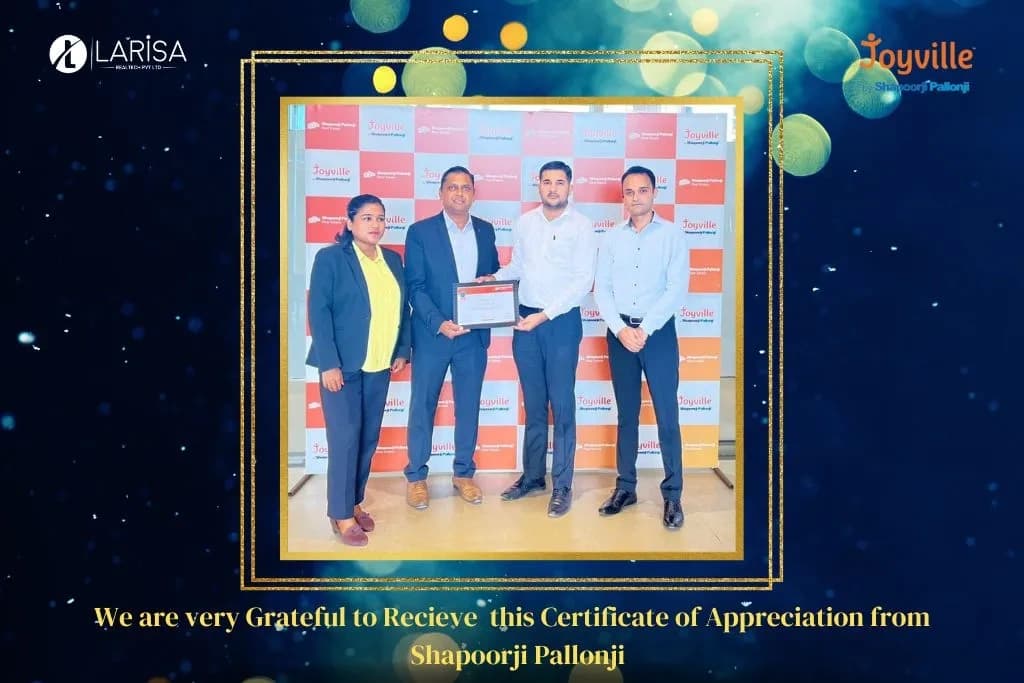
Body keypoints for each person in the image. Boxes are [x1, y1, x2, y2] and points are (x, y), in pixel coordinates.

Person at [478, 161, 597, 517]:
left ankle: (562, 484)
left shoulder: (582, 226)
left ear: (570, 187)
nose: (553, 188)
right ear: (539, 186)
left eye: (560, 182)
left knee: (562, 405)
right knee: (533, 404)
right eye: (547, 182)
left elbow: (583, 280)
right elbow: (518, 267)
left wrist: (545, 315)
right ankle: (532, 477)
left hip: (559, 322)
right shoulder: (525, 223)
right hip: (525, 321)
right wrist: (494, 279)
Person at [306, 194, 411, 546]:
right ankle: (340, 514)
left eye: (380, 218)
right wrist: (329, 363)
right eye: (367, 218)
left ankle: (354, 501)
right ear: (349, 223)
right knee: (344, 438)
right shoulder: (331, 258)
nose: (375, 224)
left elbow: (402, 310)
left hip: (379, 365)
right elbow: (319, 312)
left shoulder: (392, 260)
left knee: (367, 439)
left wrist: (402, 350)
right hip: (342, 366)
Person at [593, 166, 690, 529]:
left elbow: (676, 289)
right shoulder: (610, 238)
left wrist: (644, 329)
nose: (636, 197)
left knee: (667, 414)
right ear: (623, 197)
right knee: (627, 414)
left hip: (658, 334)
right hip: (619, 334)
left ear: (654, 193)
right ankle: (626, 487)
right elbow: (602, 289)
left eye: (642, 190)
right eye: (629, 192)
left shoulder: (673, 235)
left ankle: (673, 494)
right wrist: (621, 329)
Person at [404, 166, 500, 509]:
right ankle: (416, 477)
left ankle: (463, 473)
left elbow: (492, 276)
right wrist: (439, 323)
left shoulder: (486, 231)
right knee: (422, 406)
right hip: (433, 335)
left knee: (469, 406)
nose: (459, 193)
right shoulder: (420, 232)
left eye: (466, 188)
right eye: (452, 187)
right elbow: (415, 287)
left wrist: (492, 284)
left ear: (473, 193)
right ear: (441, 193)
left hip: (472, 338)